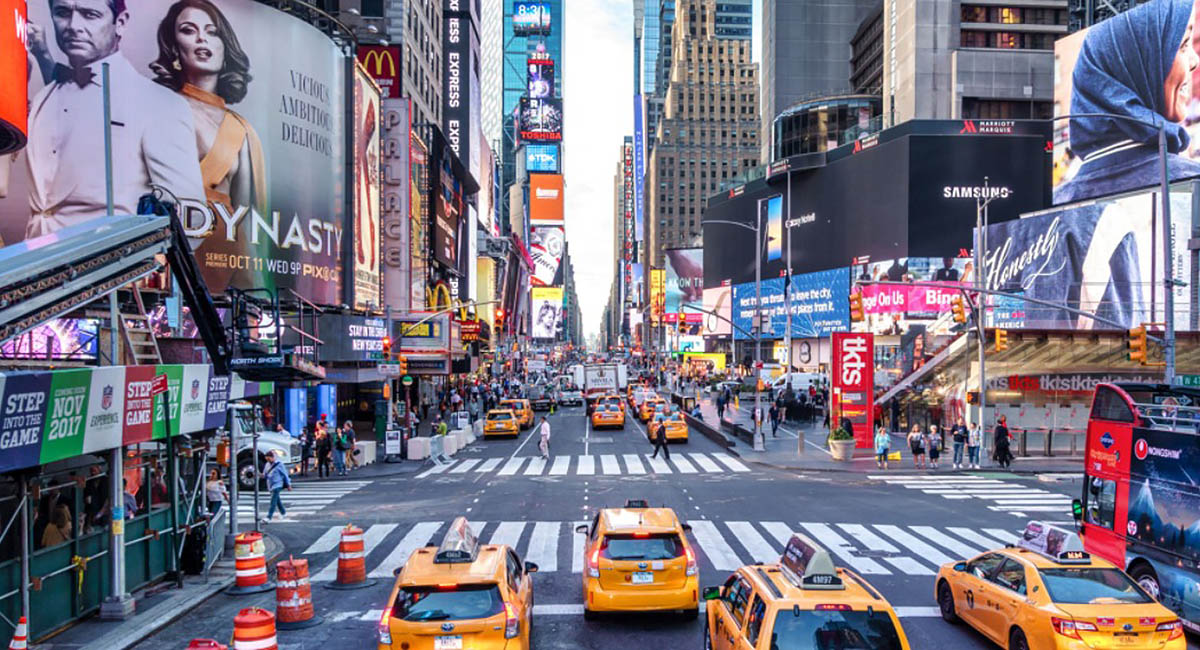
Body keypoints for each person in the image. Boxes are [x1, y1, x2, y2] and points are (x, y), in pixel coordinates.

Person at [12, 0, 204, 238]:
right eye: (62, 13)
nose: (73, 26)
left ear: (120, 23)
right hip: (36, 267)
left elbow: (191, 220)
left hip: (115, 270)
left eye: (89, 14)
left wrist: (136, 267)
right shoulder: (44, 98)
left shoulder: (159, 103)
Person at [1055, 0, 1200, 205]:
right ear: (1136, 62)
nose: (1195, 61)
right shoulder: (1192, 185)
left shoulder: (1048, 207)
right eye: (1183, 44)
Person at [261, 450, 291, 524]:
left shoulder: (279, 464)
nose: (268, 460)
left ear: (273, 457)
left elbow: (285, 475)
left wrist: (288, 485)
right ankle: (283, 512)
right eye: (267, 459)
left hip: (278, 484)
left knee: (273, 501)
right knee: (277, 500)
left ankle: (269, 517)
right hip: (270, 484)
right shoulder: (267, 464)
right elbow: (265, 474)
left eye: (269, 459)